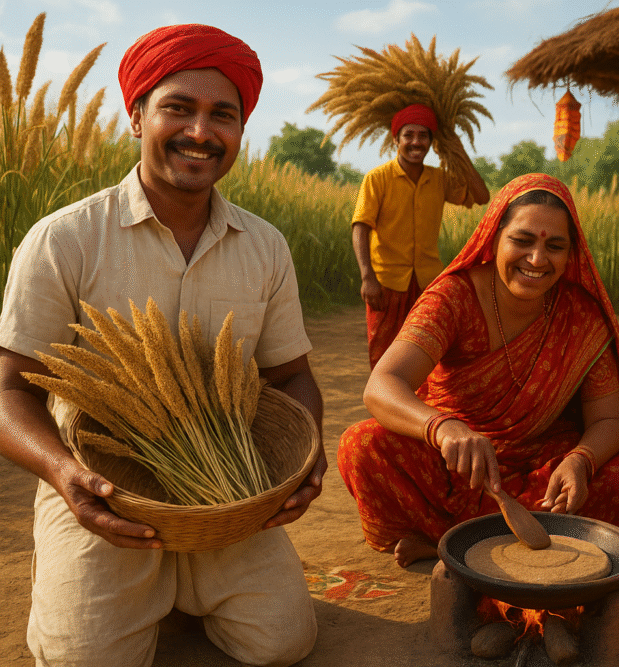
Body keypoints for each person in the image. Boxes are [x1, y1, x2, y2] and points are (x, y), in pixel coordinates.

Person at [0, 25, 326, 666]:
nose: (201, 132)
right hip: (106, 491)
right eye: (179, 107)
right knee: (84, 661)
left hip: (229, 490)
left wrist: (305, 458)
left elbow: (292, 377)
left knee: (283, 643)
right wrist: (66, 475)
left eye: (222, 116)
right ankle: (107, 578)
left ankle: (179, 588)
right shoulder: (64, 240)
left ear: (239, 132)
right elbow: (9, 389)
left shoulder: (265, 246)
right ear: (136, 116)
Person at [339, 173, 619, 567]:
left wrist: (581, 460)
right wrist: (443, 429)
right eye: (522, 241)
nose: (538, 260)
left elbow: (610, 418)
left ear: (570, 254)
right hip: (455, 460)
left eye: (554, 246)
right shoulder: (454, 297)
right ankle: (501, 541)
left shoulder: (580, 315)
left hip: (540, 463)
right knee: (361, 446)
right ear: (494, 237)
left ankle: (448, 542)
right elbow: (381, 386)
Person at [351, 103, 490, 368]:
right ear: (396, 140)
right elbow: (361, 227)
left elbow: (482, 196)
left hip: (428, 282)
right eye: (409, 135)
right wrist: (367, 277)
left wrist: (458, 151)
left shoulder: (439, 179)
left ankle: (419, 406)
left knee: (427, 353)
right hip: (386, 283)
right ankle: (384, 407)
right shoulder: (377, 179)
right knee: (383, 356)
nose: (416, 142)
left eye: (423, 136)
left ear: (431, 142)